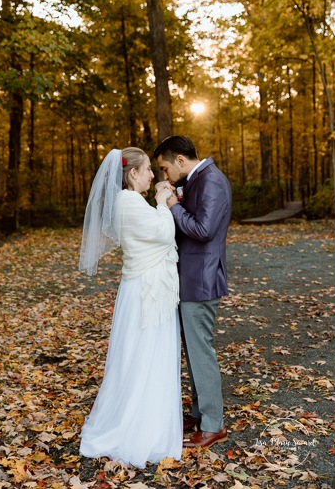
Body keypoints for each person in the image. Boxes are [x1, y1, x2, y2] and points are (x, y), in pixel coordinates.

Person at [78, 147, 181, 468]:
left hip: (148, 289)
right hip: (145, 294)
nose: (153, 174)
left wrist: (158, 204)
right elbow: (164, 233)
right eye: (148, 169)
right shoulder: (128, 203)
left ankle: (148, 416)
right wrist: (164, 203)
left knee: (146, 356)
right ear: (132, 173)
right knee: (143, 357)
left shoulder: (132, 202)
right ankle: (138, 427)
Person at [153, 135, 232, 448]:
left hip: (201, 280)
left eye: (164, 168)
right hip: (189, 279)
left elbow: (203, 230)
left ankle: (214, 424)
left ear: (180, 161)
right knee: (194, 353)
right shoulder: (196, 179)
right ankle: (201, 413)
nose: (164, 176)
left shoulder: (211, 180)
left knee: (202, 353)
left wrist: (173, 205)